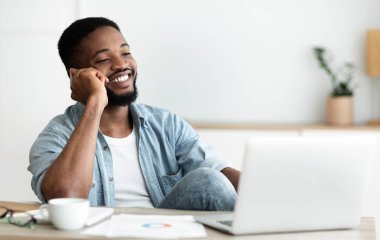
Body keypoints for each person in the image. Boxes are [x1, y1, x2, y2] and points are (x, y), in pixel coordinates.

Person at [28, 17, 240, 210]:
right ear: (76, 76)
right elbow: (65, 200)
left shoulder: (167, 125)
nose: (121, 65)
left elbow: (219, 172)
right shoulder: (56, 136)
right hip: (100, 234)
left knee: (211, 181)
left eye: (126, 53)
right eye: (103, 60)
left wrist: (265, 187)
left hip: (163, 231)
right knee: (209, 181)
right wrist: (95, 102)